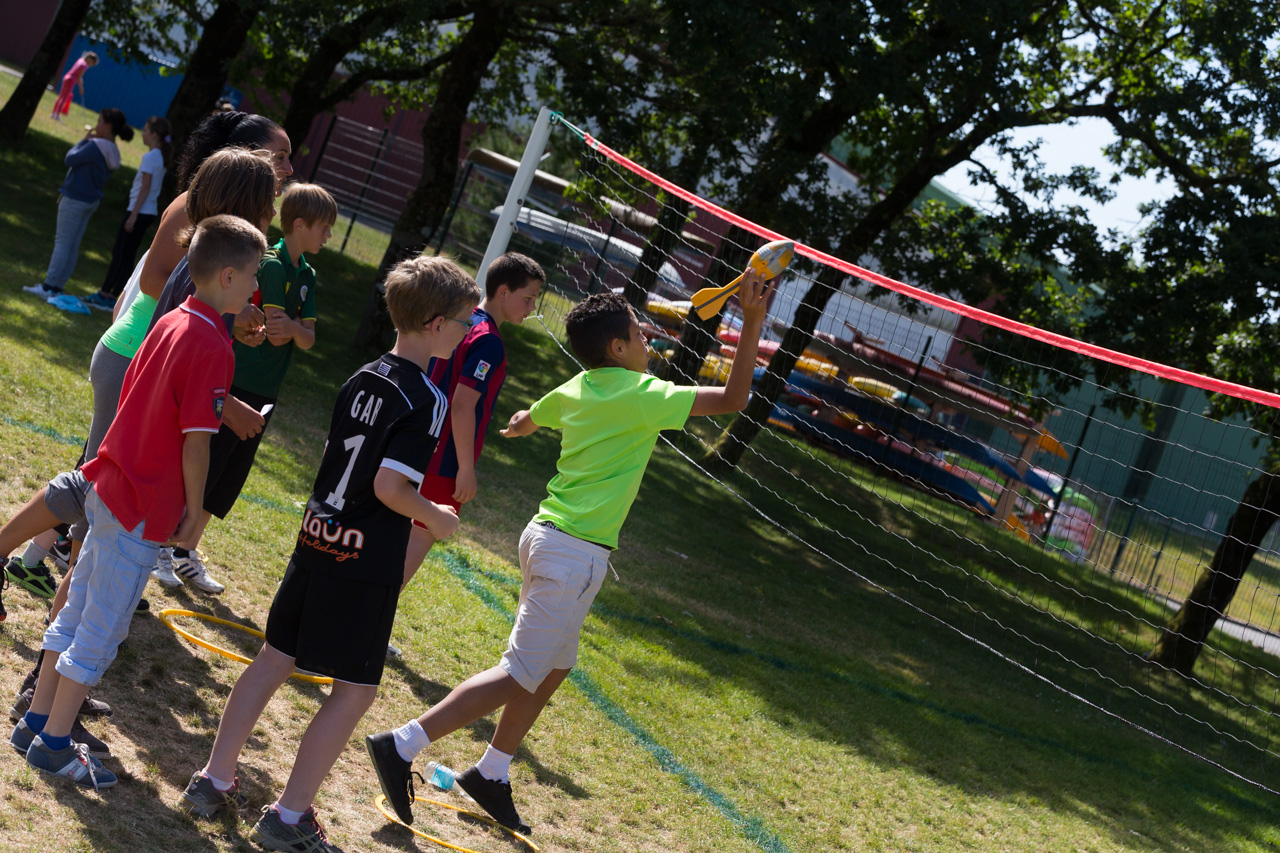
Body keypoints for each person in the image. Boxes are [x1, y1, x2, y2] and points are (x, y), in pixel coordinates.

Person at [365, 270, 773, 834]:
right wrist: (751, 322)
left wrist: (520, 425)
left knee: (554, 668)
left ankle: (491, 772)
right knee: (518, 673)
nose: (649, 341)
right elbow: (734, 397)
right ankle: (401, 743)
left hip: (545, 540)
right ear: (617, 347)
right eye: (640, 333)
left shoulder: (579, 386)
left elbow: (529, 416)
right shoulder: (645, 395)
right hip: (573, 555)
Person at [180, 257, 479, 853]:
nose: (469, 334)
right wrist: (436, 516)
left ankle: (213, 780)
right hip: (362, 560)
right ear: (436, 323)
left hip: (317, 536)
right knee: (355, 691)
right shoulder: (427, 397)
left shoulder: (362, 375)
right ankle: (290, 817)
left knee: (274, 658)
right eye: (465, 323)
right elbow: (390, 488)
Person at [8, 215, 267, 790]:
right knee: (101, 627)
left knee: (75, 610)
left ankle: (35, 721)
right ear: (228, 276)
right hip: (142, 505)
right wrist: (195, 509)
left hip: (107, 485)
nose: (256, 291)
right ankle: (53, 743)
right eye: (253, 277)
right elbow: (198, 441)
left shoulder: (171, 317)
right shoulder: (212, 345)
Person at [154, 182, 337, 593]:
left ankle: (185, 551)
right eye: (324, 227)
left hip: (266, 390)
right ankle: (163, 546)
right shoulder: (268, 264)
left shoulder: (306, 274)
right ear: (299, 223)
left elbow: (306, 338)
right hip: (236, 383)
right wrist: (293, 328)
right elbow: (277, 333)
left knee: (227, 478)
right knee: (207, 464)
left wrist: (292, 329)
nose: (329, 236)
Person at [401, 252, 544, 581]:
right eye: (529, 298)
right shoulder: (488, 342)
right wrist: (465, 469)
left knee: (394, 530)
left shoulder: (456, 321)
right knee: (420, 534)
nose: (532, 307)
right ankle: (369, 623)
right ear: (503, 292)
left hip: (415, 439)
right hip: (443, 459)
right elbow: (463, 405)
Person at [23, 108, 134, 301]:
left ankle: (49, 286)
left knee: (63, 243)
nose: (97, 124)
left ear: (108, 126)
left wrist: (84, 140)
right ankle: (58, 286)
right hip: (91, 201)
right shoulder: (113, 150)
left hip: (75, 199)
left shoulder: (95, 146)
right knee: (73, 244)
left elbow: (70, 158)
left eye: (99, 121)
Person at [81, 116, 173, 311]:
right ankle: (114, 295)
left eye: (146, 130)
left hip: (139, 211)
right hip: (147, 212)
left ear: (155, 134)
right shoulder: (159, 157)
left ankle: (105, 294)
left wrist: (133, 214)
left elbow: (145, 188)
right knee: (127, 254)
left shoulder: (150, 157)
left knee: (120, 253)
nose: (143, 133)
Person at [50, 50, 98, 121]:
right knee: (64, 98)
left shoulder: (80, 60)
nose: (91, 65)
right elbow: (79, 77)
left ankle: (53, 113)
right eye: (92, 63)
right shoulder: (84, 66)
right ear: (90, 60)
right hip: (71, 81)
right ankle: (56, 115)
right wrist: (81, 88)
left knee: (60, 97)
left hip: (66, 77)